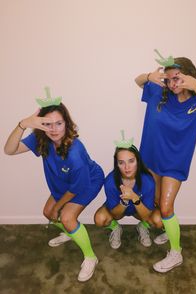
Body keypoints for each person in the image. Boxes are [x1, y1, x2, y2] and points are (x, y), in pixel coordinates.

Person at [135, 52, 196, 273]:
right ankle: (164, 227)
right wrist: (149, 76)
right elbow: (137, 81)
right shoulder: (158, 91)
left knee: (166, 207)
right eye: (169, 78)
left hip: (175, 162)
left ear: (190, 77)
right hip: (151, 157)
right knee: (155, 202)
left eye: (177, 78)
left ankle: (176, 253)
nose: (172, 83)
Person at [4, 88, 105, 282]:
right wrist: (22, 124)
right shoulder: (41, 138)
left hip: (87, 181)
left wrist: (59, 207)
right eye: (47, 124)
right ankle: (71, 233)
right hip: (65, 182)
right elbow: (9, 150)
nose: (54, 129)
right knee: (48, 213)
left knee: (65, 216)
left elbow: (77, 188)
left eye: (59, 123)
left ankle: (91, 257)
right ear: (41, 126)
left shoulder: (75, 152)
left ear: (66, 123)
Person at [94, 131, 162, 249]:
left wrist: (134, 197)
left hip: (139, 211)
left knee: (158, 220)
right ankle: (116, 228)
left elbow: (146, 215)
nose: (127, 167)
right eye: (121, 163)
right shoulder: (110, 181)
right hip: (119, 209)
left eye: (131, 161)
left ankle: (143, 227)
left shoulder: (147, 181)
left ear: (138, 161)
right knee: (99, 219)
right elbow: (115, 215)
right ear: (117, 164)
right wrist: (124, 201)